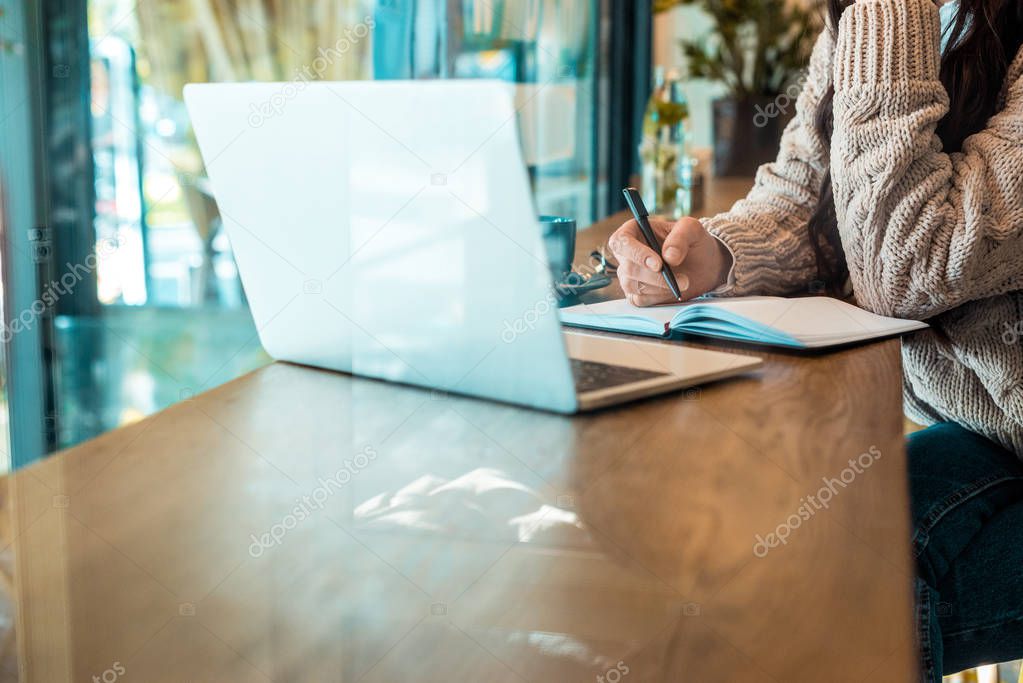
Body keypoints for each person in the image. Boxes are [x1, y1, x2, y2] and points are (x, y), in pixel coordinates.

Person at [608, 0, 1023, 680]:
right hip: (986, 431)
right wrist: (713, 254)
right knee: (775, 550)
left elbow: (907, 261)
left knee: (830, 598)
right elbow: (809, 201)